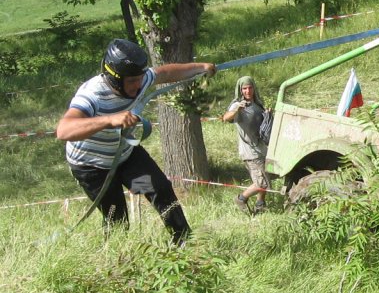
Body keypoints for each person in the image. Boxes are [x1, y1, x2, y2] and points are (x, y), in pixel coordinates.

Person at [56, 38, 217, 244]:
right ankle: (116, 257)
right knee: (117, 217)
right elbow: (64, 130)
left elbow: (165, 73)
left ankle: (185, 242)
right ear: (115, 78)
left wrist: (200, 67)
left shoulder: (138, 78)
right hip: (93, 168)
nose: (138, 85)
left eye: (140, 79)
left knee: (158, 188)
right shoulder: (92, 95)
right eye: (132, 81)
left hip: (125, 157)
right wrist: (109, 120)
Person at [222, 75, 270, 214]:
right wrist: (237, 110)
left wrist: (268, 114)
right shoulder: (238, 105)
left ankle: (260, 205)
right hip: (250, 151)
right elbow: (226, 117)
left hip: (261, 148)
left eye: (250, 88)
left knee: (265, 177)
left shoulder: (257, 103)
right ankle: (241, 198)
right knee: (262, 183)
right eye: (244, 89)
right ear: (240, 90)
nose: (247, 91)